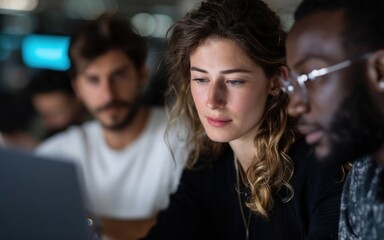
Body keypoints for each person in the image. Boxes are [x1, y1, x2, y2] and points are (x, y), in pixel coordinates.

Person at [143, 0, 344, 239]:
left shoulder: (319, 166)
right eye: (201, 79)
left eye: (234, 81)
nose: (212, 101)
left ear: (275, 81)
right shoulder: (209, 162)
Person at [283, 0, 384, 238]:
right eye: (293, 85)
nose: (294, 106)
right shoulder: (363, 179)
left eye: (310, 77)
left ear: (380, 71)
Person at [36, 14, 186, 240]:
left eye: (118, 75)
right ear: (77, 88)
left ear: (142, 75)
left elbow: (190, 228)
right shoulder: (55, 155)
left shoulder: (186, 139)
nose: (108, 95)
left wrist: (87, 222)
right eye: (93, 80)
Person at [26, 69, 88, 139]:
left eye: (55, 113)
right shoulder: (40, 126)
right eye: (43, 115)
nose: (48, 123)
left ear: (77, 99)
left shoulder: (96, 127)